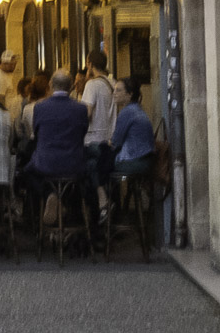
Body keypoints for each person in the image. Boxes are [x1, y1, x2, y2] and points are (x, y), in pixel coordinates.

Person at [30, 71, 92, 228]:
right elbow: (82, 133)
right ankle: (73, 214)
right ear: (71, 86)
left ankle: (50, 196)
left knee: (27, 172)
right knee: (83, 179)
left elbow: (36, 133)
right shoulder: (81, 109)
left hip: (46, 163)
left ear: (50, 85)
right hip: (73, 163)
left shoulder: (40, 107)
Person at [81, 51, 118, 187]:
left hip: (93, 142)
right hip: (110, 141)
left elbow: (87, 113)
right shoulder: (113, 83)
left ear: (90, 64)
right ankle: (108, 198)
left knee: (83, 165)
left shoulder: (92, 85)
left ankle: (97, 201)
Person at [110, 77, 156, 182]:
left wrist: (108, 142)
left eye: (118, 90)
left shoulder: (127, 112)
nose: (114, 93)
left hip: (133, 161)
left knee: (94, 162)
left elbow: (115, 142)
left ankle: (102, 197)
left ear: (129, 94)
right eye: (114, 89)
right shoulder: (138, 109)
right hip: (145, 160)